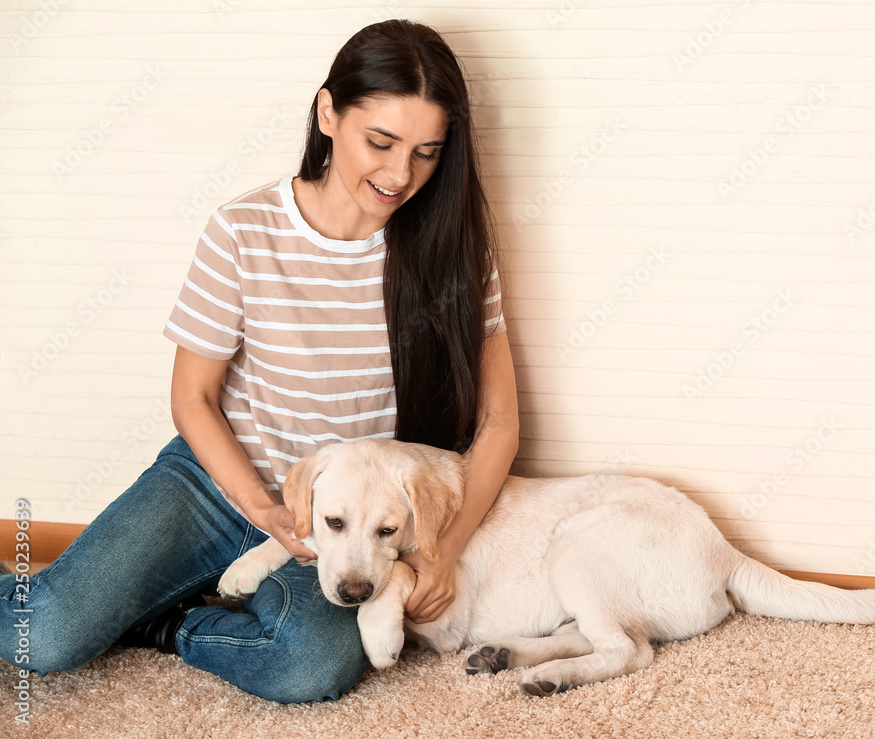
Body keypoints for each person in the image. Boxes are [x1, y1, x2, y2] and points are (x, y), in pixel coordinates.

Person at [0, 19, 518, 704]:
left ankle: (169, 622)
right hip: (218, 481)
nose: (400, 174)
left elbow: (500, 420)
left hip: (344, 517)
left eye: (426, 152)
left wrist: (440, 550)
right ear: (328, 112)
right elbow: (193, 398)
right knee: (52, 631)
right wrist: (259, 504)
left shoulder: (454, 253)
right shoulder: (243, 230)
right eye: (381, 142)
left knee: (309, 667)